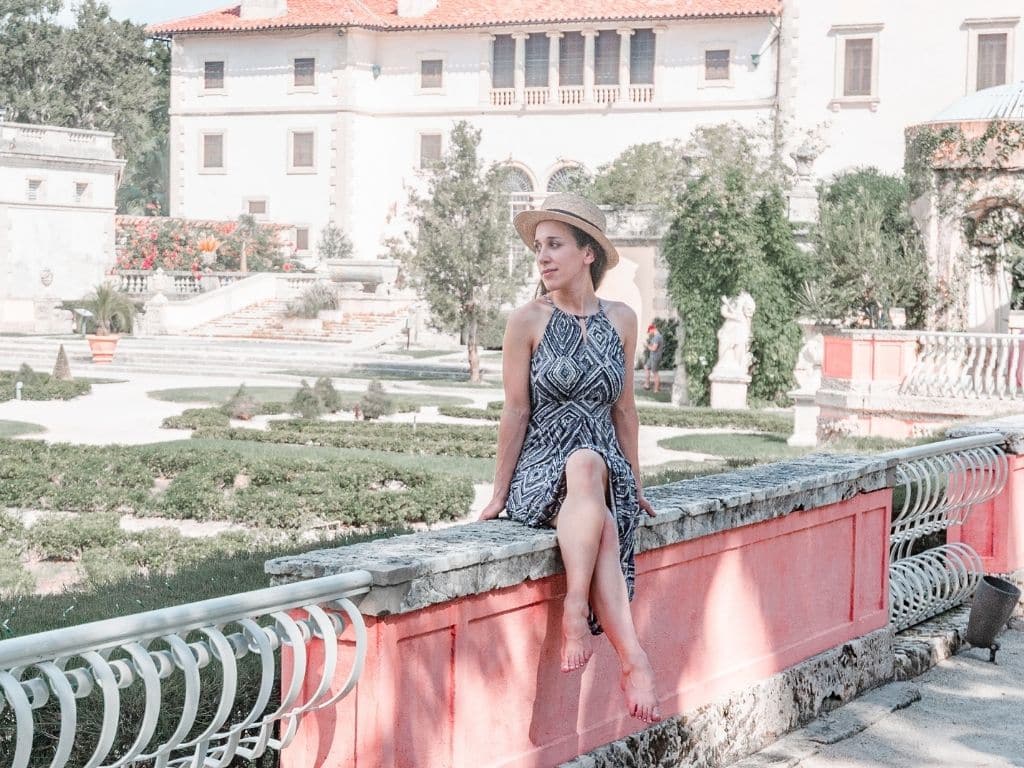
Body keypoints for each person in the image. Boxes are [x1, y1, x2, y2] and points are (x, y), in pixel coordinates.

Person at [477, 193, 662, 724]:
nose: (543, 257)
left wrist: (639, 485)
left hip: (603, 467)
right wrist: (498, 493)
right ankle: (622, 648)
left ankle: (591, 622)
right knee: (584, 466)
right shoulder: (527, 320)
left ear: (588, 254)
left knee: (595, 482)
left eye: (555, 245)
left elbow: (624, 409)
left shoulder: (623, 319)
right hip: (542, 465)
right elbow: (515, 413)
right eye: (539, 248)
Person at [643, 323, 663, 393]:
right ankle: (647, 385)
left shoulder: (657, 337)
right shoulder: (656, 337)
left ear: (652, 329)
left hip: (655, 357)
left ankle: (656, 389)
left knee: (655, 373)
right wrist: (648, 345)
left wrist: (647, 346)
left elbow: (654, 348)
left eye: (649, 331)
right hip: (652, 357)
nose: (649, 333)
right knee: (646, 367)